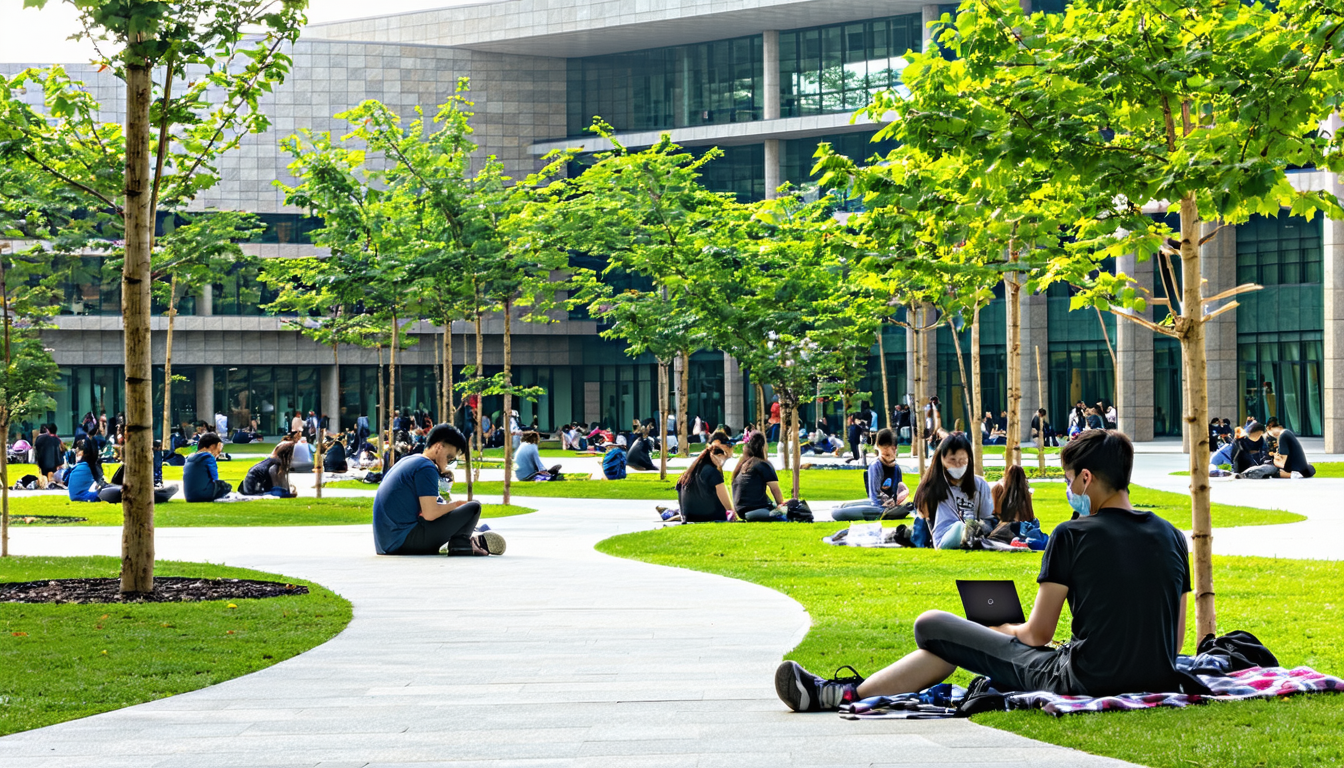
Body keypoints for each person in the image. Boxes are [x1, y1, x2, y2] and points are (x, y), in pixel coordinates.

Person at [775, 429, 1194, 712]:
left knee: (932, 626)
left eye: (1070, 480)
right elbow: (1173, 641)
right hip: (1158, 675)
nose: (1070, 490)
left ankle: (840, 693)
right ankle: (843, 694)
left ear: (1086, 478)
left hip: (1083, 680)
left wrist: (1002, 629)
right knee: (946, 646)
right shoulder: (1173, 535)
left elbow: (1038, 635)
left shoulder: (1073, 535)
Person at [373, 424, 503, 556]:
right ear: (439, 447)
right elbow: (430, 513)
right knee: (473, 508)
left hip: (387, 543)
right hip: (404, 542)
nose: (447, 463)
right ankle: (461, 544)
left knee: (454, 509)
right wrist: (456, 505)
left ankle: (460, 541)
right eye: (449, 458)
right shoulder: (426, 467)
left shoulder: (410, 460)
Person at [913, 432, 993, 549]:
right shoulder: (932, 486)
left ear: (969, 459)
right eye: (952, 460)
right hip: (945, 537)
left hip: (974, 534)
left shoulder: (980, 486)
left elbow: (987, 518)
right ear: (941, 459)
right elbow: (924, 517)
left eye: (962, 460)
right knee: (959, 527)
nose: (957, 465)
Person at [832, 428, 909, 522]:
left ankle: (888, 512)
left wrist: (896, 500)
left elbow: (897, 492)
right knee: (837, 512)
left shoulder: (896, 469)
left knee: (907, 507)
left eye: (888, 455)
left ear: (895, 449)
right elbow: (874, 497)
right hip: (877, 506)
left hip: (888, 505)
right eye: (883, 454)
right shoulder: (876, 466)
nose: (885, 458)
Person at [675, 444, 736, 523]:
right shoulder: (712, 472)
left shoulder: (689, 473)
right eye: (725, 458)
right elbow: (725, 500)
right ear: (720, 455)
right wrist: (732, 513)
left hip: (689, 516)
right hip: (709, 515)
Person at [731, 432, 785, 519]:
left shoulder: (741, 465)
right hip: (757, 509)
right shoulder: (763, 464)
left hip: (741, 511)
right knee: (792, 510)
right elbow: (775, 489)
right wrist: (781, 506)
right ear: (763, 446)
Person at [183, 433, 232, 502]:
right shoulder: (208, 457)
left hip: (189, 497)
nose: (218, 455)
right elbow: (215, 478)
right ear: (212, 446)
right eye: (218, 451)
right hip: (203, 495)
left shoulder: (189, 457)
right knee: (224, 486)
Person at [34, 424, 63, 489]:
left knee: (44, 475)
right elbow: (58, 450)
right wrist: (59, 462)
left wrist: (38, 461)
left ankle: (44, 485)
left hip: (42, 461)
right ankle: (50, 485)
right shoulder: (55, 439)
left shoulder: (39, 438)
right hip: (52, 461)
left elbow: (37, 450)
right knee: (51, 475)